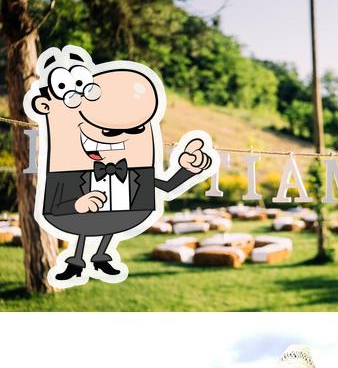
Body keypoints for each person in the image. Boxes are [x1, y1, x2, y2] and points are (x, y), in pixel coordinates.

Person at [24, 45, 216, 285]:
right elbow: (56, 205)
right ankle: (76, 262)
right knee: (85, 225)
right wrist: (77, 203)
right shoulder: (66, 170)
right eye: (106, 130)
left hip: (122, 215)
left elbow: (166, 187)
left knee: (110, 222)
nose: (115, 137)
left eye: (134, 129)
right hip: (78, 216)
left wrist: (188, 169)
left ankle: (101, 256)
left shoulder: (136, 170)